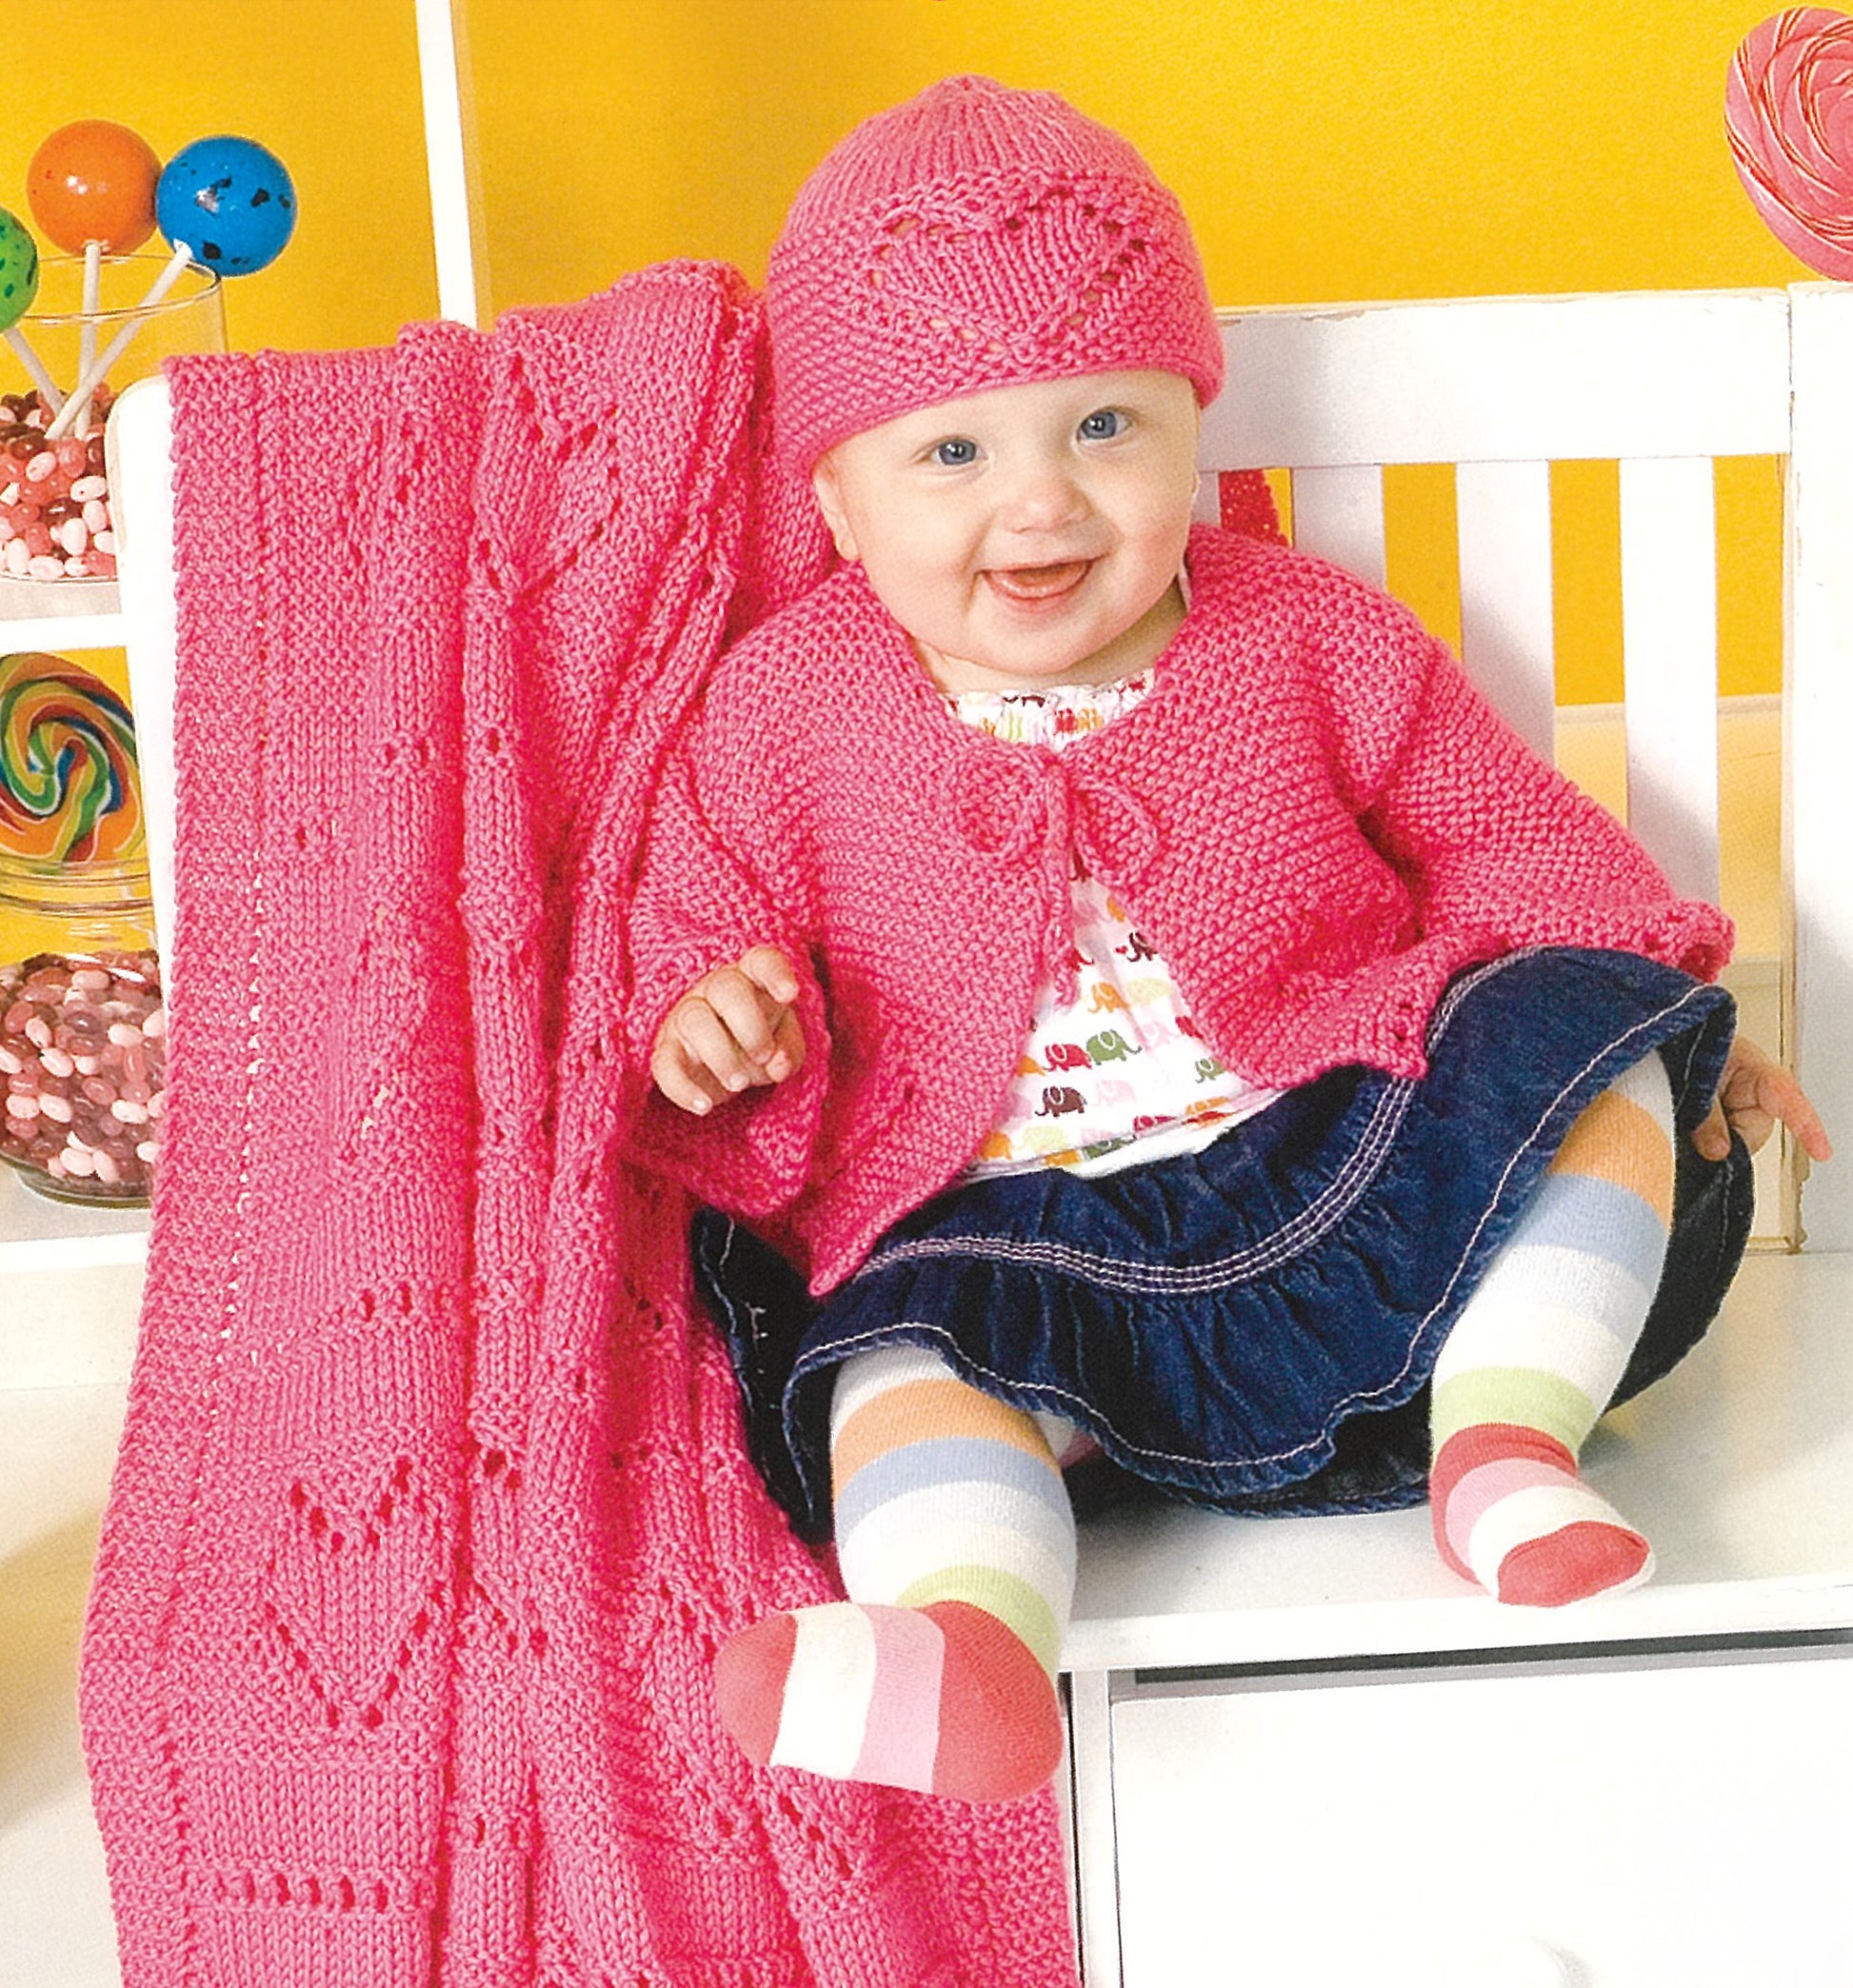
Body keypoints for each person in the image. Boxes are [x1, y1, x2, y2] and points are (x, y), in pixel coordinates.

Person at [630, 75, 1832, 1805]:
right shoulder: (779, 711)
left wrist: (1672, 1015)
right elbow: (696, 911)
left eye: (1105, 426)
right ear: (833, 497)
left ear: (1196, 420)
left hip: (1339, 1168)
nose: (1040, 503)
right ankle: (970, 1642)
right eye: (954, 452)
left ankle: (1505, 1446)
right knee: (887, 1371)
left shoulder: (1306, 634)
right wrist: (709, 1008)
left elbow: (1508, 845)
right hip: (1006, 1250)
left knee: (1595, 1036)